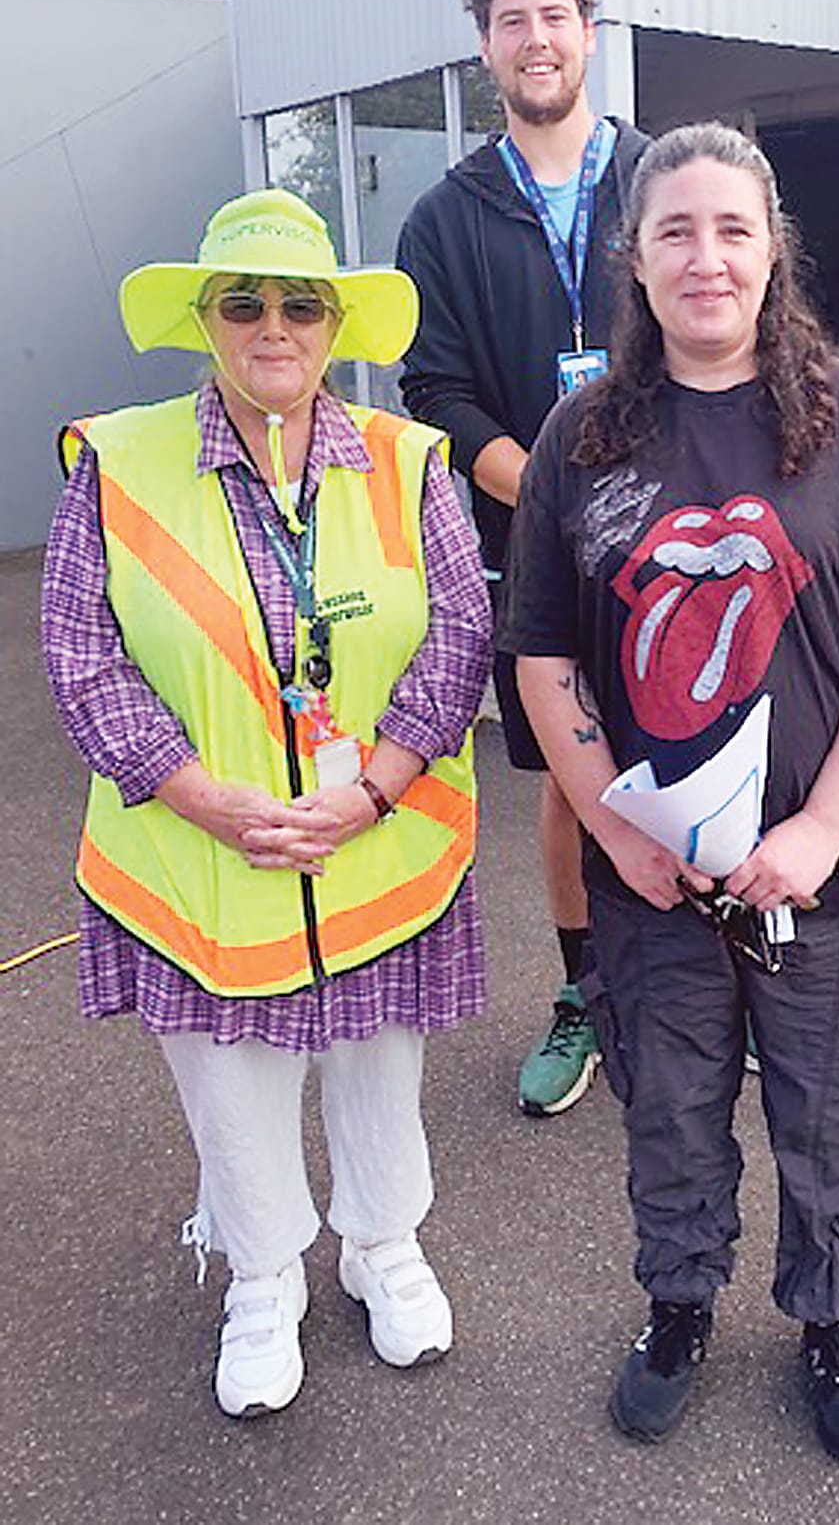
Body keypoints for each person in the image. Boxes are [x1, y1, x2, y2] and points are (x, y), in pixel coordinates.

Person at [499, 123, 839, 1462]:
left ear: (773, 251)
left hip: (819, 875)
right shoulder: (583, 435)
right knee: (670, 1099)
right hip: (651, 879)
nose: (706, 259)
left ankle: (833, 1318)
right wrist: (611, 826)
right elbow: (539, 651)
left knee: (823, 1100)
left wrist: (818, 827)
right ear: (636, 263)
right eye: (676, 234)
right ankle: (678, 1300)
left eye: (732, 231)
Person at [41, 189, 491, 1418]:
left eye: (300, 302)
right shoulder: (118, 461)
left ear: (335, 323)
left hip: (379, 853)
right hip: (198, 860)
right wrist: (206, 800)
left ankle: (382, 1249)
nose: (273, 325)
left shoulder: (409, 462)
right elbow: (81, 651)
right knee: (230, 1086)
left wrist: (380, 786)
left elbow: (461, 631)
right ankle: (261, 1275)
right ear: (207, 320)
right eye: (244, 302)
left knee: (379, 1069)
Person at [398, 0, 650, 1118]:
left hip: (681, 545)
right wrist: (551, 497)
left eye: (555, 15)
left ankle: (705, 981)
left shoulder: (662, 180)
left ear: (589, 32)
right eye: (511, 21)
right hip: (535, 549)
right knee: (568, 777)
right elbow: (437, 392)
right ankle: (585, 991)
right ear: (486, 47)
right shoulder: (448, 216)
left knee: (707, 750)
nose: (536, 38)